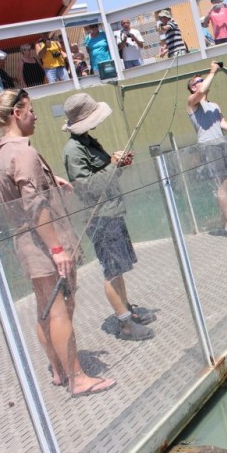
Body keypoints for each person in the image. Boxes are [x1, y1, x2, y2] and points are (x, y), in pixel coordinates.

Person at [0, 89, 116, 398]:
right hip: (43, 244)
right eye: (30, 110)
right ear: (17, 114)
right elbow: (34, 205)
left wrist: (54, 181)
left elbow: (24, 190)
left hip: (25, 243)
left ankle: (58, 369)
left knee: (44, 308)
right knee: (59, 311)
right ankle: (77, 378)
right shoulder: (23, 152)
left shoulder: (2, 152)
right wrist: (56, 250)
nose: (35, 115)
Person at [61, 93, 157, 342]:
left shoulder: (88, 141)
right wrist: (113, 165)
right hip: (100, 217)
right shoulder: (73, 151)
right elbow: (86, 186)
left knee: (119, 268)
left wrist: (117, 165)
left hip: (112, 211)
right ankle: (124, 324)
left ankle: (126, 309)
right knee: (111, 271)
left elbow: (102, 176)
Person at [187, 62, 227, 238]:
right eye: (200, 80)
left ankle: (222, 223)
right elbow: (200, 93)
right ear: (193, 87)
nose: (204, 81)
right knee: (220, 188)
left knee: (224, 186)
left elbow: (221, 122)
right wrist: (212, 72)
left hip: (221, 144)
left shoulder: (214, 105)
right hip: (209, 147)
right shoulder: (192, 102)